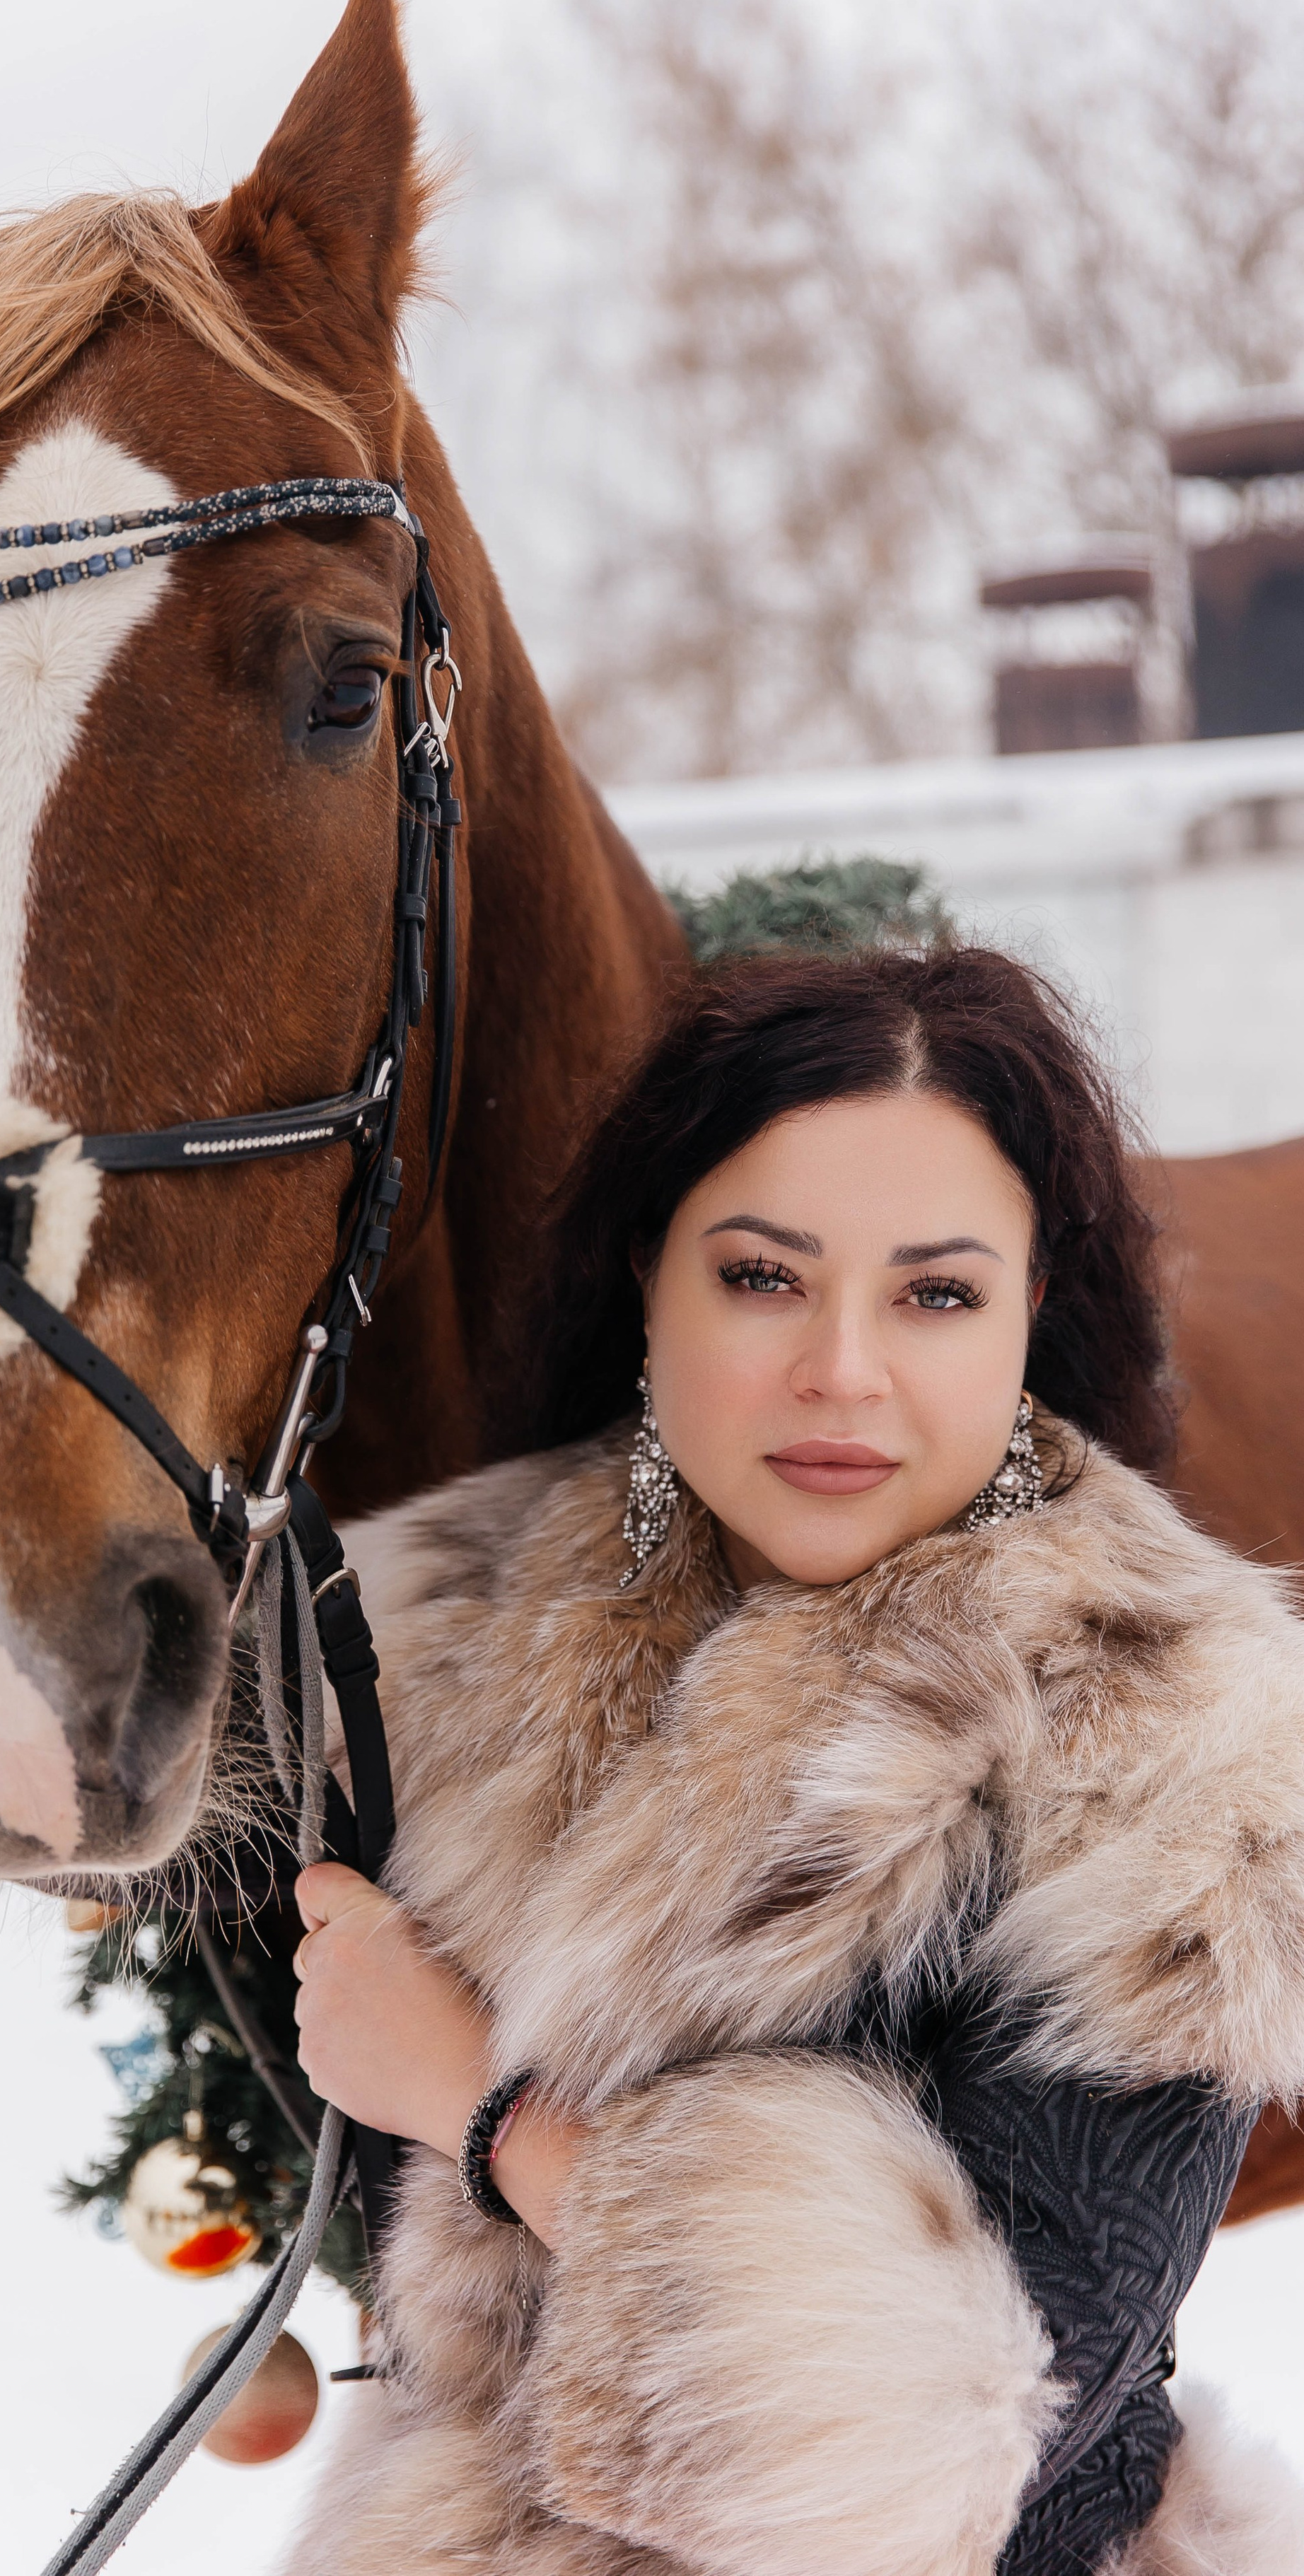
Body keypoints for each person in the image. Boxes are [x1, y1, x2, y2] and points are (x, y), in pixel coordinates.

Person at [286, 945, 1304, 2576]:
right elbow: (77, 1761)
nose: (840, 1369)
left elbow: (972, 2432)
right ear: (647, 1279)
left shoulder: (1165, 1725)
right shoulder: (475, 1603)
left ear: (1028, 1313)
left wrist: (477, 2109)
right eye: (761, 1277)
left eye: (935, 1293)